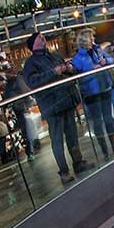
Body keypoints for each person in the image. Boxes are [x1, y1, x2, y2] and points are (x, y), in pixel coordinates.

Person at [21, 32, 90, 183]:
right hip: (52, 107)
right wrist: (54, 72)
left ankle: (78, 163)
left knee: (72, 136)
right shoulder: (31, 64)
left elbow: (68, 73)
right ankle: (64, 172)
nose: (43, 38)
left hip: (66, 101)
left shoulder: (54, 56)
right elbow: (33, 82)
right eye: (40, 37)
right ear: (34, 44)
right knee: (57, 140)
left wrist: (69, 69)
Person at [71, 28, 114, 157]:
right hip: (91, 94)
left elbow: (111, 60)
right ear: (85, 40)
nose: (93, 39)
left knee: (109, 119)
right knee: (98, 122)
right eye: (91, 38)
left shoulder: (98, 50)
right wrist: (92, 72)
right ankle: (104, 149)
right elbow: (80, 79)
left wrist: (106, 62)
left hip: (105, 88)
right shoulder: (77, 59)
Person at [2, 75, 37, 160]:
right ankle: (33, 148)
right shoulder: (20, 80)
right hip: (25, 108)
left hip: (19, 110)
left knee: (25, 131)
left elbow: (6, 99)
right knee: (30, 129)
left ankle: (30, 152)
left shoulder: (8, 86)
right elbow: (28, 91)